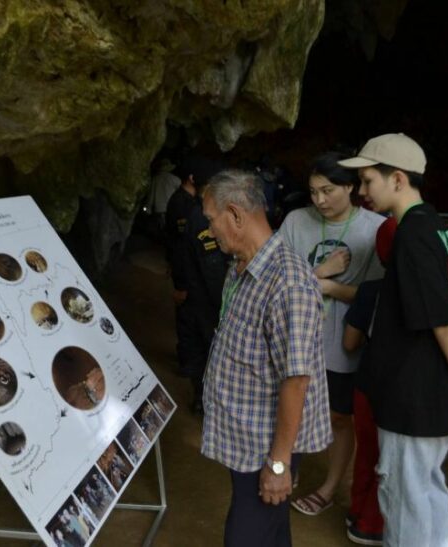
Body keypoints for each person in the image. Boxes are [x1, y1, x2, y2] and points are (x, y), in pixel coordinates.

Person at [338, 133, 448, 547]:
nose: (361, 191)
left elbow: (445, 322)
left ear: (397, 180)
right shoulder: (436, 229)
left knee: (407, 498)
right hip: (428, 392)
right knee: (426, 492)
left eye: (368, 180)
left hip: (415, 397)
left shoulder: (412, 234)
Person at [200, 170, 332, 547]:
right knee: (270, 533)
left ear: (236, 215)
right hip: (245, 440)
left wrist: (278, 464)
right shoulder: (241, 267)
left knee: (245, 536)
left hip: (266, 449)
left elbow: (297, 379)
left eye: (211, 220)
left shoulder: (287, 282)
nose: (210, 230)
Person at [280, 151, 385, 519]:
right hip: (296, 338)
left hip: (342, 343)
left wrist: (322, 286)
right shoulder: (296, 221)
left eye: (328, 190)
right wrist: (321, 275)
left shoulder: (374, 229)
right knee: (289, 407)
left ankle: (328, 488)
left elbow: (373, 295)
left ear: (351, 187)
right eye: (313, 192)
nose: (319, 200)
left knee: (340, 419)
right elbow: (277, 279)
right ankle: (284, 469)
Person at [179, 155, 229, 413]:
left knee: (201, 351)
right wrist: (225, 306)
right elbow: (212, 270)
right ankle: (206, 401)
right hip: (207, 301)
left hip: (198, 297)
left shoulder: (197, 212)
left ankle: (202, 399)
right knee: (208, 352)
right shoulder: (203, 218)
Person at [165, 167, 198, 376]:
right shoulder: (180, 202)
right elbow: (179, 243)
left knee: (191, 317)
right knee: (186, 317)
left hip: (188, 269)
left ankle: (189, 359)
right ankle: (186, 363)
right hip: (184, 270)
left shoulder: (188, 201)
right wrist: (181, 282)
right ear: (192, 177)